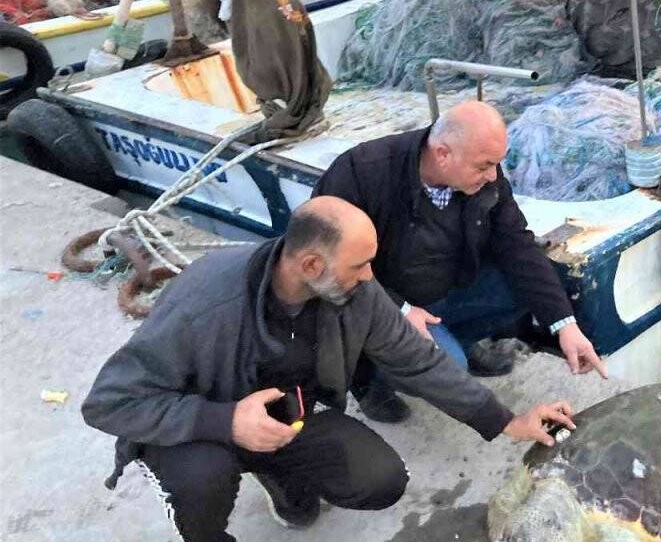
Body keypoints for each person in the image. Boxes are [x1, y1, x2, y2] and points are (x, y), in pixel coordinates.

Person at [81, 197, 575, 541]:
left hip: (288, 419)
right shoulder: (203, 303)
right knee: (201, 482)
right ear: (312, 265)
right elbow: (109, 401)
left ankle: (281, 477)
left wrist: (504, 419)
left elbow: (417, 359)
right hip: (198, 429)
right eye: (360, 265)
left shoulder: (354, 293)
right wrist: (225, 422)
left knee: (381, 479)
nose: (370, 277)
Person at [313, 100, 606, 423]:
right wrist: (399, 310)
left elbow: (516, 244)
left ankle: (460, 340)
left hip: (445, 289)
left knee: (534, 280)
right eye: (483, 166)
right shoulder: (360, 172)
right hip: (380, 304)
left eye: (497, 164)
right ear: (442, 154)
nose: (493, 175)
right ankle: (368, 380)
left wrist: (565, 325)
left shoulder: (485, 177)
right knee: (449, 369)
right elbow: (328, 263)